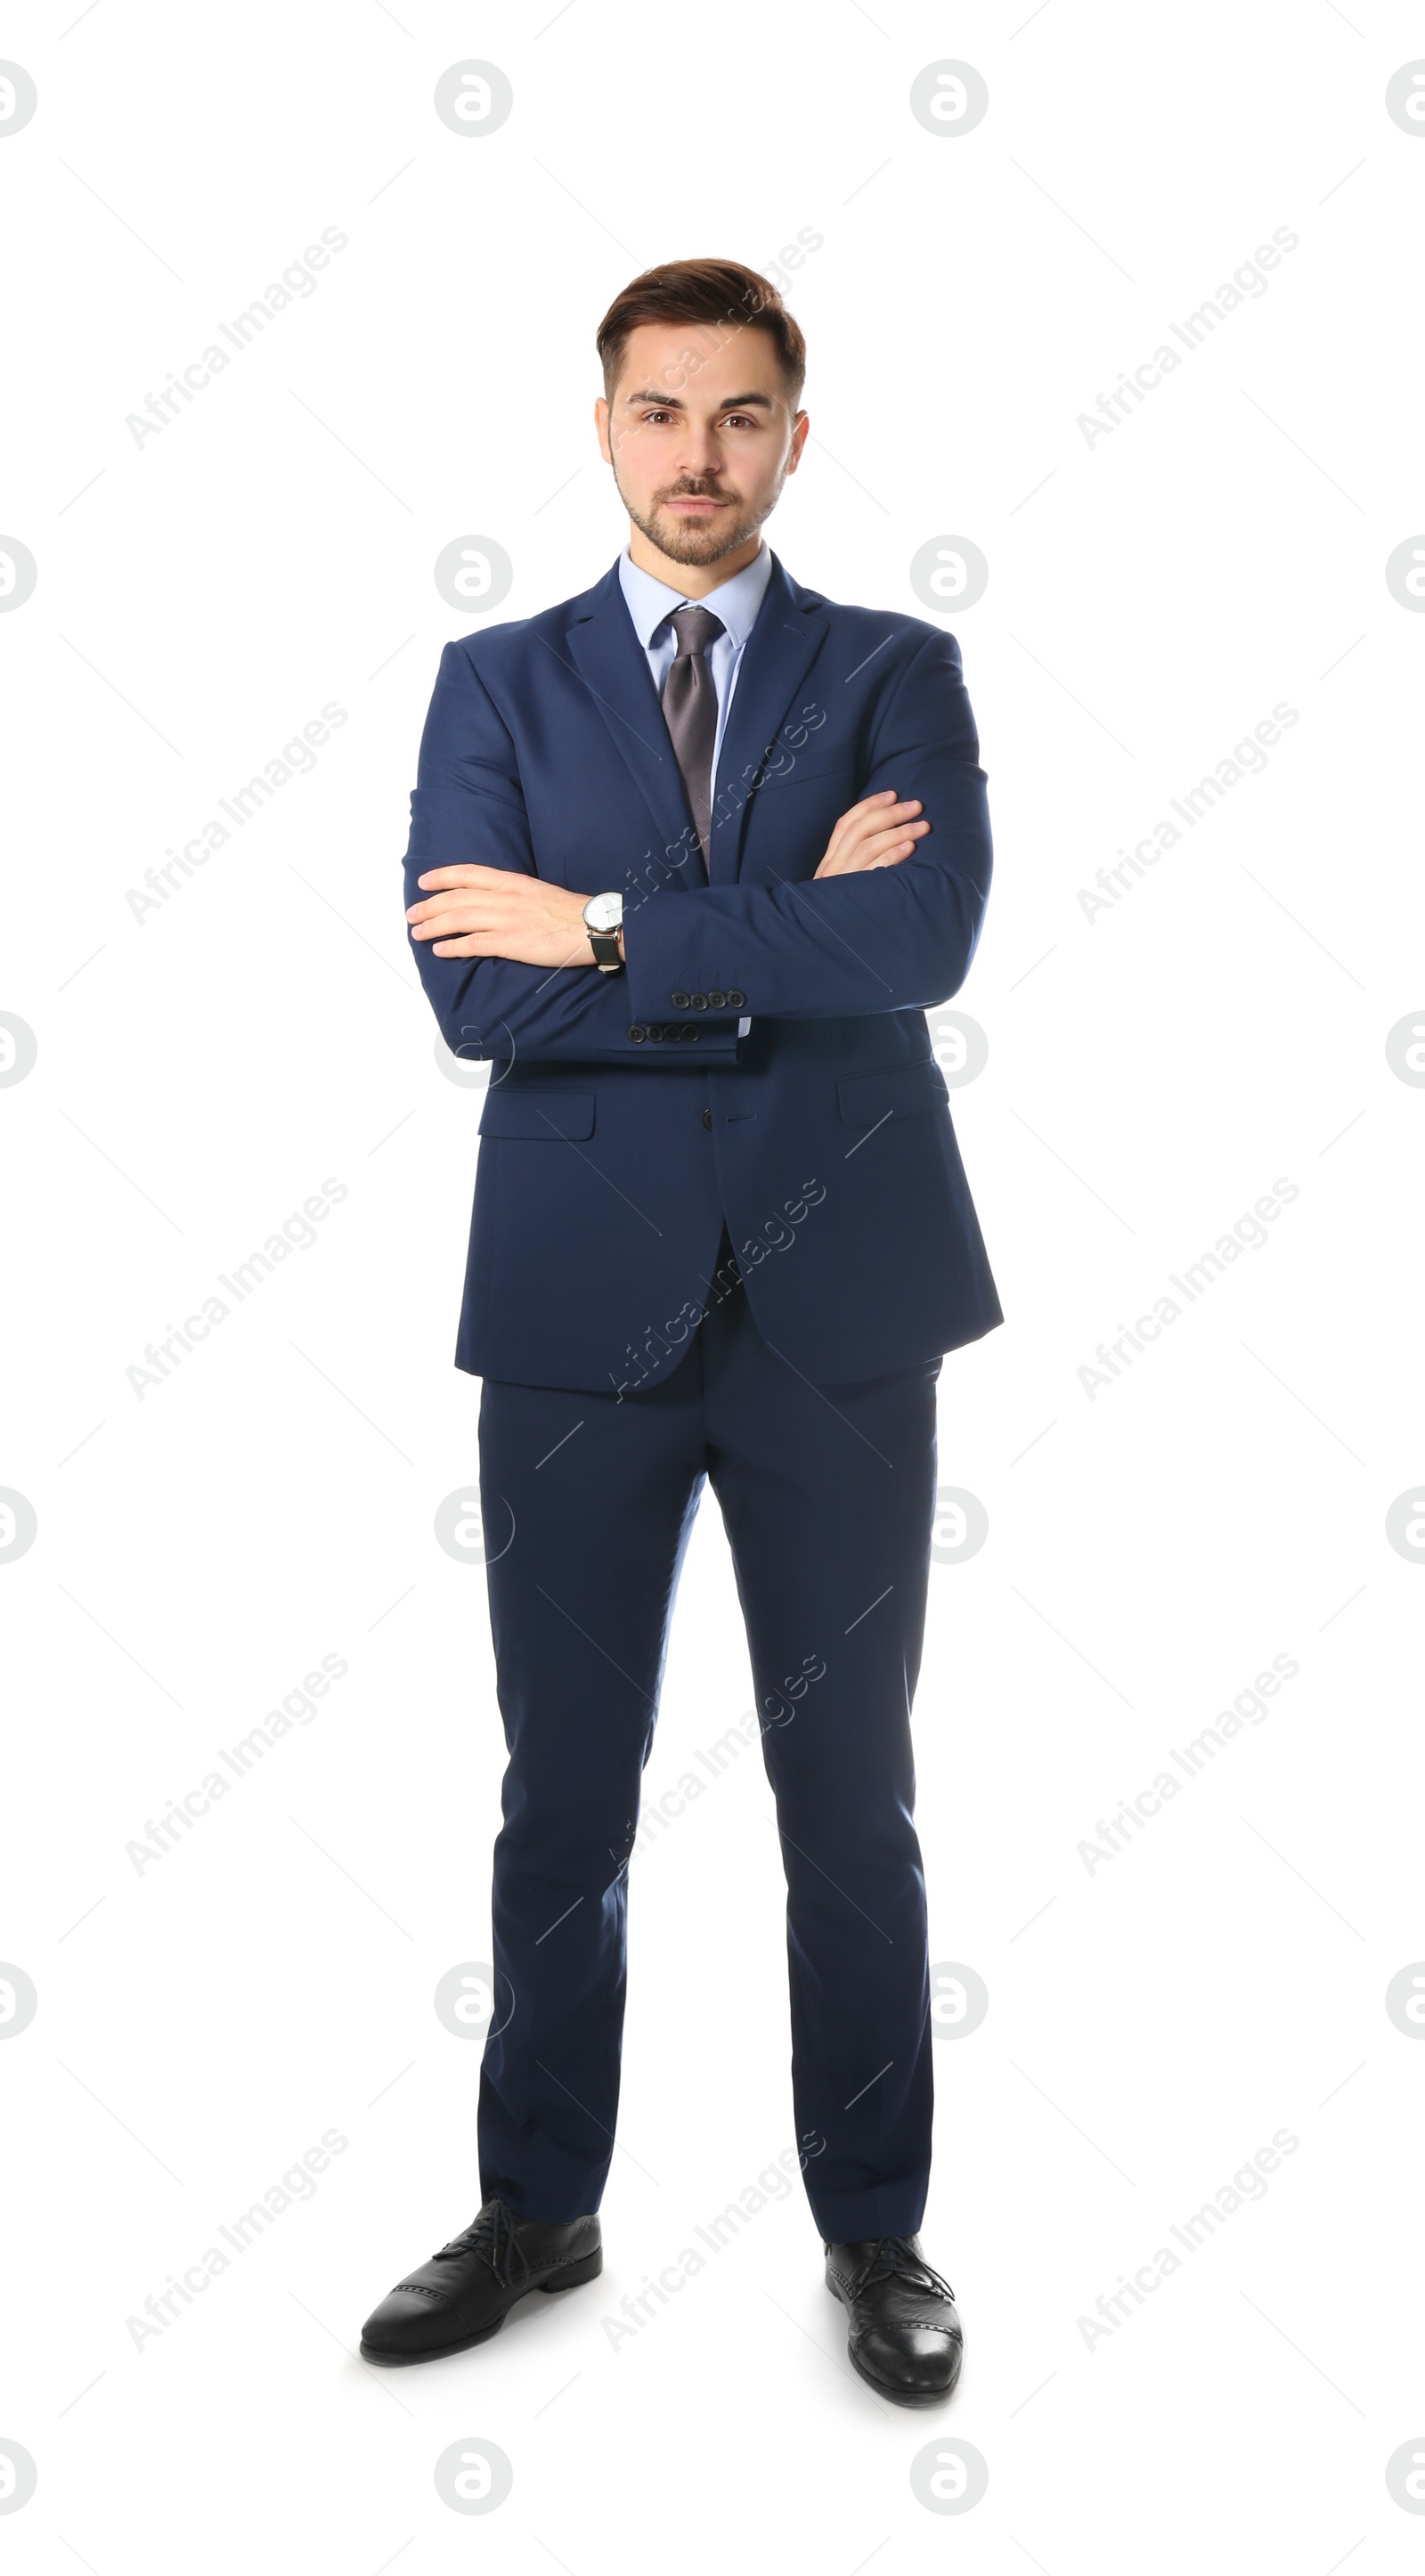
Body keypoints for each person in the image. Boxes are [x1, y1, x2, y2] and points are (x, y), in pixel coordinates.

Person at [359, 258, 1001, 2405]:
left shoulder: (896, 667)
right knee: (563, 1792)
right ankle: (536, 2208)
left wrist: (617, 920)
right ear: (604, 425)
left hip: (838, 1313)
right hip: (571, 1315)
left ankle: (878, 2235)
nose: (697, 457)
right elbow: (472, 988)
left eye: (738, 418)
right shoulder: (492, 686)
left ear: (791, 438)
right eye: (658, 414)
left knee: (853, 1798)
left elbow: (913, 936)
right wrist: (769, 928)